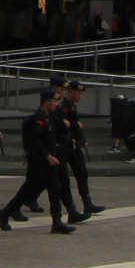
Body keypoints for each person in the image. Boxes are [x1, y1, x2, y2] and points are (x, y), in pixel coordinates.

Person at [0, 92, 75, 233]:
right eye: (54, 102)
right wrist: (47, 156)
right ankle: (5, 212)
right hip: (38, 161)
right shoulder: (38, 119)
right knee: (28, 190)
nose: (56, 104)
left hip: (50, 163)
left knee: (55, 190)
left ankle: (57, 222)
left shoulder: (48, 118)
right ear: (46, 102)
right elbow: (34, 141)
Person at [54, 79, 104, 218]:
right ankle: (72, 210)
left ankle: (87, 203)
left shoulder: (71, 106)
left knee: (82, 173)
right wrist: (76, 125)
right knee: (61, 180)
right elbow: (66, 126)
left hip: (73, 144)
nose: (80, 96)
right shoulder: (63, 106)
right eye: (78, 93)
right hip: (65, 146)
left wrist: (82, 140)